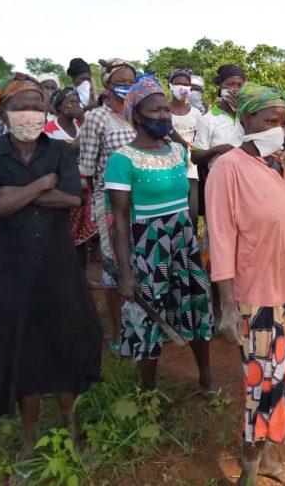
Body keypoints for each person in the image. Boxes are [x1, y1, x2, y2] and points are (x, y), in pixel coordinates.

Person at [0, 76, 101, 461]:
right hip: (10, 271)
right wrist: (40, 186)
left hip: (59, 267)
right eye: (20, 107)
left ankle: (71, 430)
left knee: (66, 344)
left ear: (46, 112)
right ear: (3, 113)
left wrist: (11, 194)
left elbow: (72, 199)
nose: (30, 114)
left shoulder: (59, 151)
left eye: (37, 107)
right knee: (22, 350)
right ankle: (29, 440)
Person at [206, 84, 285, 486]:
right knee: (263, 387)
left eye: (283, 122)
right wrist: (228, 306)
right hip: (258, 298)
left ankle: (267, 460)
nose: (279, 128)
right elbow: (220, 238)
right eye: (270, 121)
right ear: (247, 120)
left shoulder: (282, 165)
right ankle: (249, 474)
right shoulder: (228, 168)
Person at [105, 76, 215, 392]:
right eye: (156, 111)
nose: (164, 116)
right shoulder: (121, 160)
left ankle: (205, 374)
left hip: (182, 240)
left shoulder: (178, 153)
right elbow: (121, 221)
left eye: (166, 110)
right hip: (148, 246)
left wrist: (192, 236)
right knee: (147, 315)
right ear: (137, 116)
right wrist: (125, 272)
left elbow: (187, 196)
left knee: (195, 304)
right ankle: (148, 388)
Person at [79, 58, 137, 352]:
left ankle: (141, 324)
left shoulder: (137, 113)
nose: (127, 85)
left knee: (137, 263)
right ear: (108, 84)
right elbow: (87, 168)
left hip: (141, 201)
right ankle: (117, 332)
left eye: (131, 80)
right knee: (114, 267)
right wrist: (103, 202)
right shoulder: (97, 118)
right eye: (122, 81)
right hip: (111, 202)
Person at [44, 88, 97, 276]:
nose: (74, 105)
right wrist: (77, 142)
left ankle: (81, 278)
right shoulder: (49, 130)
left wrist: (83, 121)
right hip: (62, 192)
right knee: (62, 237)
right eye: (69, 101)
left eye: (76, 101)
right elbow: (53, 159)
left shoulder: (81, 124)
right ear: (58, 107)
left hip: (84, 189)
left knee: (82, 240)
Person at [191, 64, 246, 168]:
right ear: (221, 85)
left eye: (240, 85)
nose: (235, 89)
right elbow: (195, 157)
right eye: (230, 84)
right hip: (220, 178)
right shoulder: (208, 119)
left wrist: (241, 111)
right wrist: (216, 149)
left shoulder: (249, 116)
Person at [168, 68, 202, 229]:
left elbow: (199, 139)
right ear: (170, 86)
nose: (183, 87)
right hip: (166, 165)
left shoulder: (196, 113)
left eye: (187, 84)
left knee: (191, 213)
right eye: (178, 83)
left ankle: (190, 249)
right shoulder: (163, 110)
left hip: (190, 167)